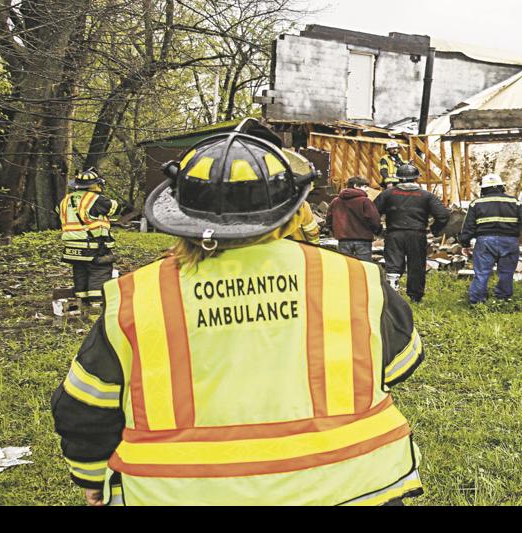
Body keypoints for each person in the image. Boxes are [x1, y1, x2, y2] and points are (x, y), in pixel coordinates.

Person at [50, 118, 427, 506]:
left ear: (180, 214)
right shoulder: (353, 279)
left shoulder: (138, 296)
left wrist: (91, 477)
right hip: (352, 486)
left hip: (181, 494)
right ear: (290, 209)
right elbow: (402, 363)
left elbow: (83, 409)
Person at [457, 172, 522, 304]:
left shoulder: (476, 204)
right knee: (506, 273)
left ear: (484, 189)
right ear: (501, 187)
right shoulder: (514, 202)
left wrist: (465, 244)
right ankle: (503, 300)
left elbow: (468, 227)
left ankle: (477, 302)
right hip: (509, 242)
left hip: (485, 242)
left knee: (482, 273)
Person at [373, 163, 449, 303]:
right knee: (416, 266)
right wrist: (434, 229)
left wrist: (378, 230)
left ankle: (392, 292)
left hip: (394, 234)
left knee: (393, 263)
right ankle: (415, 297)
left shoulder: (388, 194)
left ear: (398, 178)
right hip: (417, 234)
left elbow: (372, 212)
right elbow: (443, 215)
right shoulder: (426, 196)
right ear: (416, 178)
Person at [57, 167, 126, 313]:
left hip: (71, 247)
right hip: (93, 245)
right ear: (95, 185)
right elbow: (116, 208)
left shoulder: (65, 200)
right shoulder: (95, 200)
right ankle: (97, 303)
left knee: (80, 271)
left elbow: (59, 212)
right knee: (99, 271)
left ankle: (81, 300)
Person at [328, 175, 383, 262]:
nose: (367, 189)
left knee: (346, 266)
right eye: (365, 186)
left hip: (343, 241)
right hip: (363, 241)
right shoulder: (365, 201)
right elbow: (374, 220)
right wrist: (377, 231)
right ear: (356, 186)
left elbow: (329, 220)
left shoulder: (336, 201)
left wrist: (335, 232)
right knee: (364, 266)